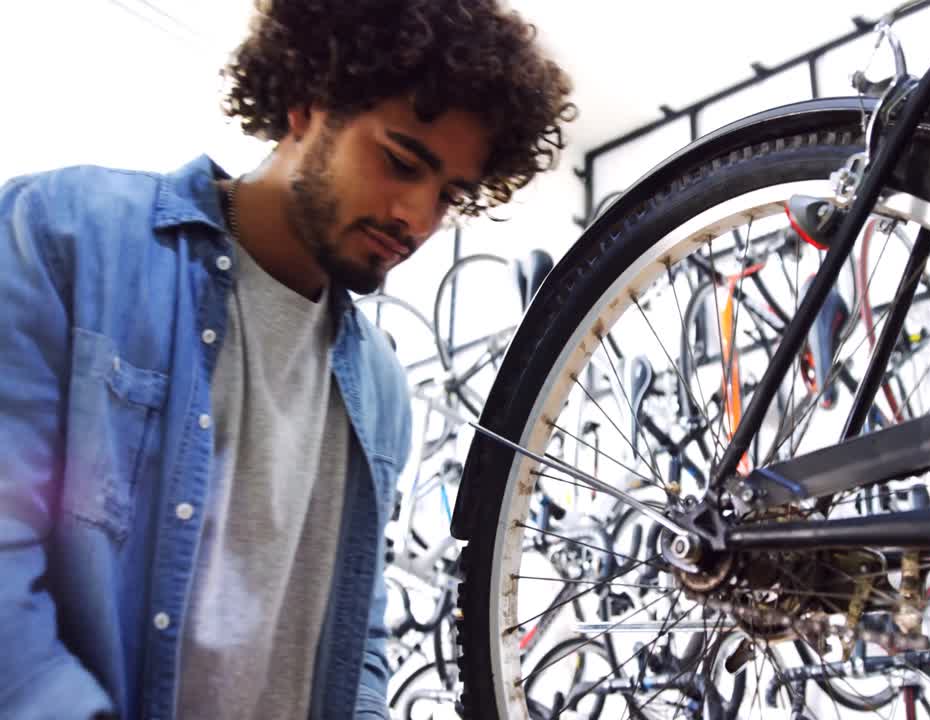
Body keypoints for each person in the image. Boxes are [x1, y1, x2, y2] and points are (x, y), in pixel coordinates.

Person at [0, 0, 573, 717]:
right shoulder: (65, 236)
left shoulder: (380, 388)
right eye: (400, 163)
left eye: (449, 196)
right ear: (309, 100)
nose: (417, 219)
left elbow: (354, 634)